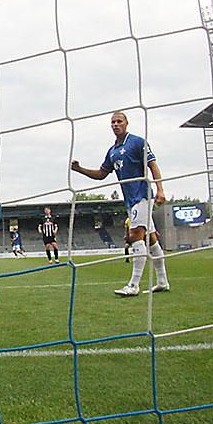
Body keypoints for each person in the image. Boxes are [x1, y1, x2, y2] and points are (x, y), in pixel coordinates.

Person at [71, 110, 170, 296]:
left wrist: (160, 189)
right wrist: (79, 169)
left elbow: (153, 164)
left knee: (135, 235)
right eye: (113, 122)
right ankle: (162, 281)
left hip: (141, 195)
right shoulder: (112, 151)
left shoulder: (137, 142)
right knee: (151, 239)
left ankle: (134, 285)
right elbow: (101, 174)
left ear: (126, 123)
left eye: (119, 121)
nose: (116, 124)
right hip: (130, 199)